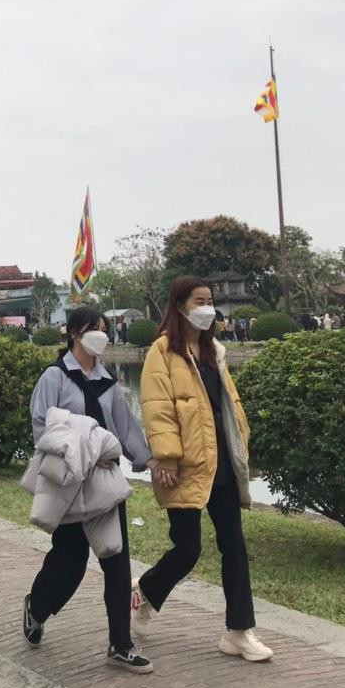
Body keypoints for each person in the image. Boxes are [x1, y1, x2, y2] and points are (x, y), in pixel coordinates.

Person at [132, 277, 272, 662]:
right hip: (186, 465)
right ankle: (145, 591)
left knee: (234, 546)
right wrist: (167, 456)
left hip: (221, 463)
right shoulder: (162, 352)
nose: (208, 307)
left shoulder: (215, 351)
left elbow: (229, 405)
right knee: (187, 549)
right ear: (180, 305)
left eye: (210, 300)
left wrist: (242, 444)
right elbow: (157, 409)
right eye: (200, 300)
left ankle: (239, 632)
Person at [24, 307, 157, 674]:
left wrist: (147, 459)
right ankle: (37, 607)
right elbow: (43, 427)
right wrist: (84, 451)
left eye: (104, 329)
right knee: (69, 563)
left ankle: (120, 645)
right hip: (70, 482)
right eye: (94, 329)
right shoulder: (54, 377)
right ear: (73, 333)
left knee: (117, 560)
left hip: (105, 483)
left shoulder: (107, 381)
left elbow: (125, 427)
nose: (102, 335)